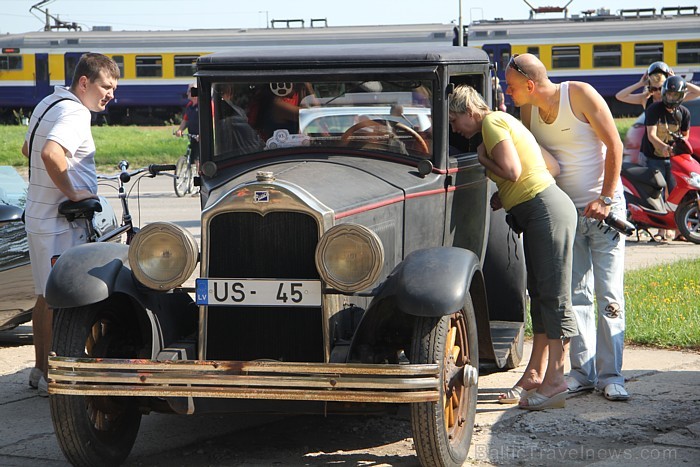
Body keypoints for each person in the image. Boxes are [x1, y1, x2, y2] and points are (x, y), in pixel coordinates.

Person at [505, 53, 629, 402]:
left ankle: (611, 375)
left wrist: (605, 198)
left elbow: (614, 145)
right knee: (574, 296)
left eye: (513, 87)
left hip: (604, 210)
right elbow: (531, 159)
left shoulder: (580, 94)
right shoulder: (529, 112)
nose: (509, 93)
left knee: (608, 295)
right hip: (565, 214)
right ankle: (583, 373)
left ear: (530, 85)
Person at [449, 84, 578, 410]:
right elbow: (549, 166)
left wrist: (483, 160)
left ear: (469, 111)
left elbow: (512, 169)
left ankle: (557, 380)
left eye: (454, 120)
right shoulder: (505, 121)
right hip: (541, 209)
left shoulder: (491, 125)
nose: (454, 128)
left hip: (544, 211)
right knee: (541, 295)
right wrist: (505, 193)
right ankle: (535, 373)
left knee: (554, 296)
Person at [20, 53, 119, 397]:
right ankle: (55, 377)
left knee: (44, 297)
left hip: (39, 215)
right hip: (59, 222)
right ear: (84, 83)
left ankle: (39, 369)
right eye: (106, 87)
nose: (110, 95)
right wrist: (74, 192)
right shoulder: (76, 112)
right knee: (61, 300)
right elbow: (49, 153)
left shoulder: (50, 102)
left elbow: (25, 148)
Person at [640, 76, 691, 229]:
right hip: (653, 156)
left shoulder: (684, 113)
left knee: (677, 190)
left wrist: (677, 146)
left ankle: (680, 228)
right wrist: (663, 147)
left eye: (675, 95)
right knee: (656, 191)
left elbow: (685, 135)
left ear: (681, 96)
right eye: (669, 94)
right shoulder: (654, 110)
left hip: (674, 157)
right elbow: (651, 135)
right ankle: (661, 228)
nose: (671, 98)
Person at [175, 82, 200, 164]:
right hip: (192, 136)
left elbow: (213, 121)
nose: (187, 93)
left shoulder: (205, 105)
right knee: (192, 158)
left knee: (198, 159)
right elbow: (185, 120)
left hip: (201, 138)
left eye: (189, 91)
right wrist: (180, 130)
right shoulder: (189, 105)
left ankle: (200, 175)